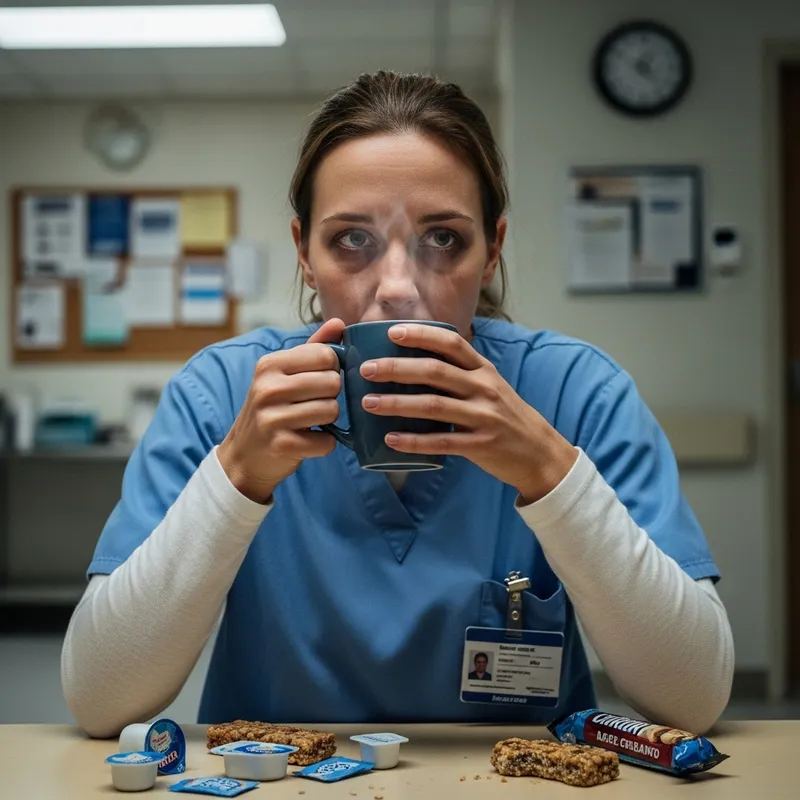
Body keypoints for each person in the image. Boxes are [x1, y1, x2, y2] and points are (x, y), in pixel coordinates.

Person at [61, 70, 733, 739]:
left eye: (443, 238)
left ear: (493, 248)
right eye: (352, 240)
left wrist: (551, 476)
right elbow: (99, 699)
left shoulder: (576, 393)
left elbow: (693, 698)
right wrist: (235, 476)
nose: (398, 289)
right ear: (303, 251)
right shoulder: (224, 394)